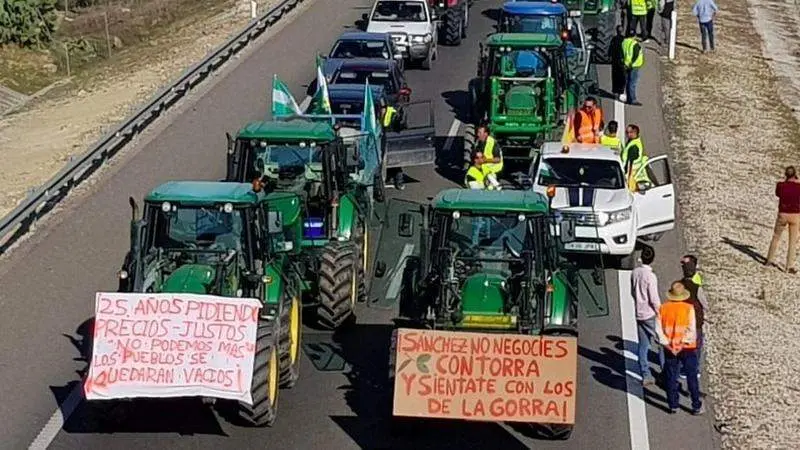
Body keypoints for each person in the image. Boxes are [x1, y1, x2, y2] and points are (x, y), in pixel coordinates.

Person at [656, 281, 704, 415]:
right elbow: (691, 330)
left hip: (670, 347)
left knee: (671, 377)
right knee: (691, 377)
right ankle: (696, 405)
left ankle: (673, 405)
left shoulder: (663, 308)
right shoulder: (688, 308)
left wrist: (668, 345)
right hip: (687, 348)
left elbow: (658, 331)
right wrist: (682, 344)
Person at [632, 246, 665, 385]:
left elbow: (632, 291)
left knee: (643, 345)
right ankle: (665, 373)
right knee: (662, 343)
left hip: (639, 312)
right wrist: (661, 312)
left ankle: (646, 374)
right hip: (650, 314)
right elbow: (654, 299)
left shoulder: (635, 272)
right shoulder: (651, 276)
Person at [766, 166, 800, 273]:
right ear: (795, 175)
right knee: (792, 241)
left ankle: (769, 259)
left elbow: (778, 194)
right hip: (795, 215)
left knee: (776, 237)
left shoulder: (781, 186)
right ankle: (789, 266)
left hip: (782, 214)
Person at [680, 254, 709, 378]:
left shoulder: (679, 284)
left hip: (683, 317)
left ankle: (683, 368)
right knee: (697, 344)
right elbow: (704, 303)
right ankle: (694, 368)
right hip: (695, 318)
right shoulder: (696, 287)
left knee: (685, 343)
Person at [473, 125, 503, 190]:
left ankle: (495, 184)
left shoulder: (492, 143)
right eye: (477, 132)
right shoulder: (479, 142)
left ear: (485, 134)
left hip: (494, 165)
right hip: (486, 164)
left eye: (480, 133)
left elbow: (498, 159)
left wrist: (484, 161)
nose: (478, 135)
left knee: (490, 185)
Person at [622, 124, 648, 189]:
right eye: (627, 132)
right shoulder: (635, 141)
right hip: (634, 172)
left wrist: (628, 179)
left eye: (630, 132)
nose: (628, 134)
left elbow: (630, 163)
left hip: (632, 173)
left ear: (635, 132)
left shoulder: (634, 147)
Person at [622, 31, 644, 105]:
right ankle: (633, 100)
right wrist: (632, 63)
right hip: (634, 66)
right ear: (634, 36)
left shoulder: (624, 42)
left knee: (628, 82)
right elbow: (635, 55)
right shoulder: (635, 44)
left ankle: (629, 99)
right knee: (632, 83)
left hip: (626, 64)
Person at [610, 26, 627, 98]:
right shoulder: (624, 40)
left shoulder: (614, 39)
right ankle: (620, 91)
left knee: (615, 76)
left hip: (614, 60)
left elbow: (610, 49)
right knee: (622, 77)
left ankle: (615, 91)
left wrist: (610, 56)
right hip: (621, 60)